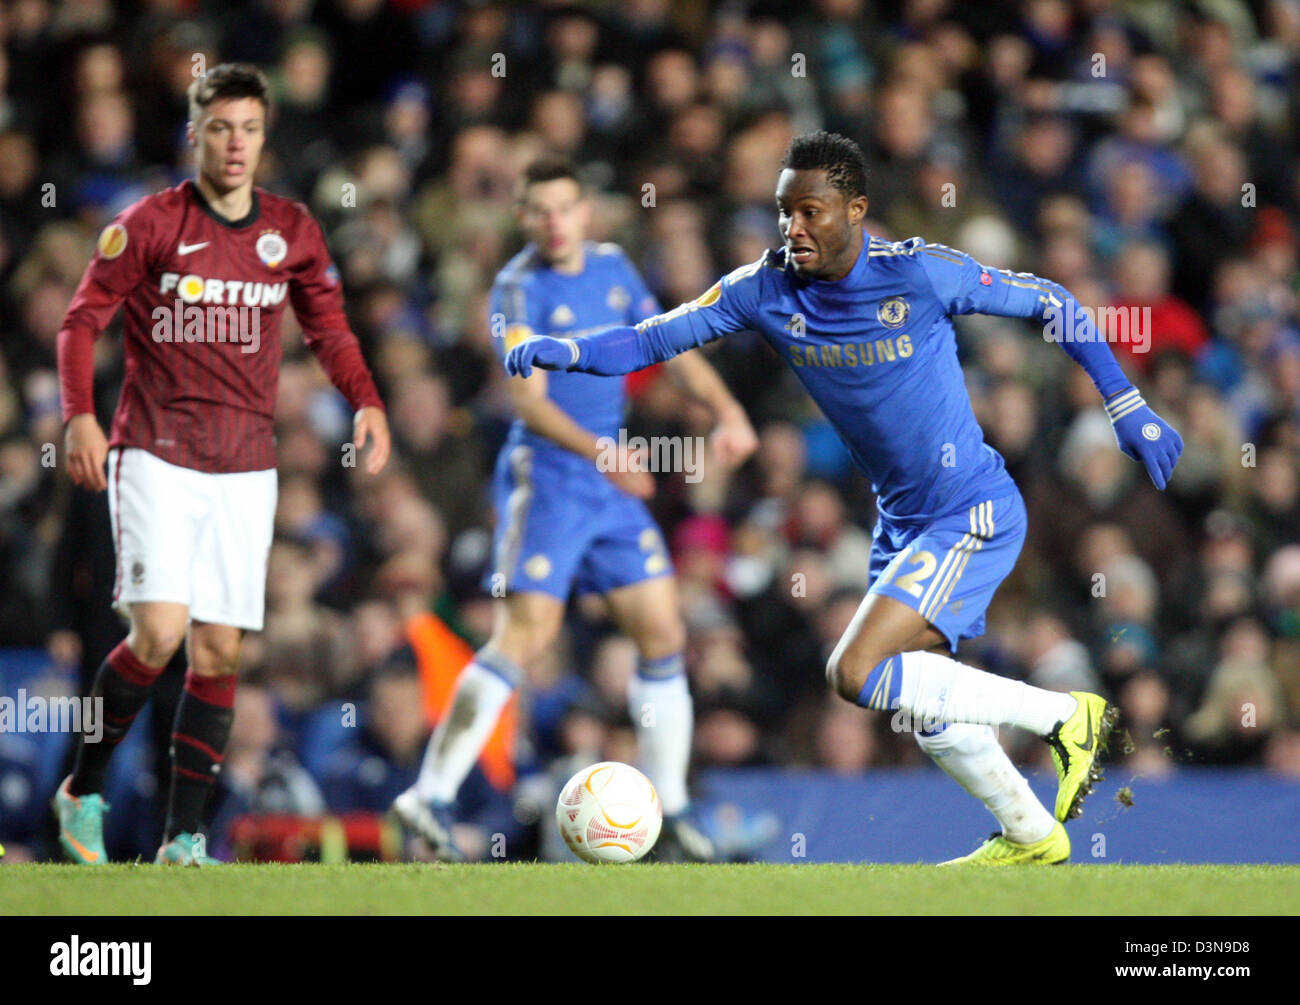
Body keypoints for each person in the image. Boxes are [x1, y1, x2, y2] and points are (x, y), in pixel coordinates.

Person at [506, 132, 1185, 864]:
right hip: (901, 524)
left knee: (854, 672)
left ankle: (1066, 715)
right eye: (782, 212)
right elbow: (648, 340)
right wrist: (570, 351)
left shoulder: (918, 273)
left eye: (810, 212)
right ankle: (1029, 833)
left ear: (855, 210)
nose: (791, 228)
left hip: (971, 508)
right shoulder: (761, 290)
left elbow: (1051, 300)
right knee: (918, 698)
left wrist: (1126, 406)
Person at [53, 63, 390, 865]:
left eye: (248, 129)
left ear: (264, 138)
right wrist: (77, 417)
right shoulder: (149, 224)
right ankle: (84, 787)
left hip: (246, 463)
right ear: (194, 135)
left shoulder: (294, 230)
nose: (235, 144)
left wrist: (366, 399)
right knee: (159, 633)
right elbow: (79, 321)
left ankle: (186, 837)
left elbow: (330, 329)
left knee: (221, 652)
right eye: (219, 128)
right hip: (156, 451)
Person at [392, 156, 757, 861]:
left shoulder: (616, 268)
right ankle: (429, 793)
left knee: (662, 627)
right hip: (552, 478)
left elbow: (671, 343)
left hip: (605, 479)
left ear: (586, 212)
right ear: (524, 218)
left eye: (566, 208)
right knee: (525, 635)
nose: (555, 222)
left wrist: (729, 409)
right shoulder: (516, 288)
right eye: (540, 210)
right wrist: (606, 454)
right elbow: (526, 400)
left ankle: (673, 808)